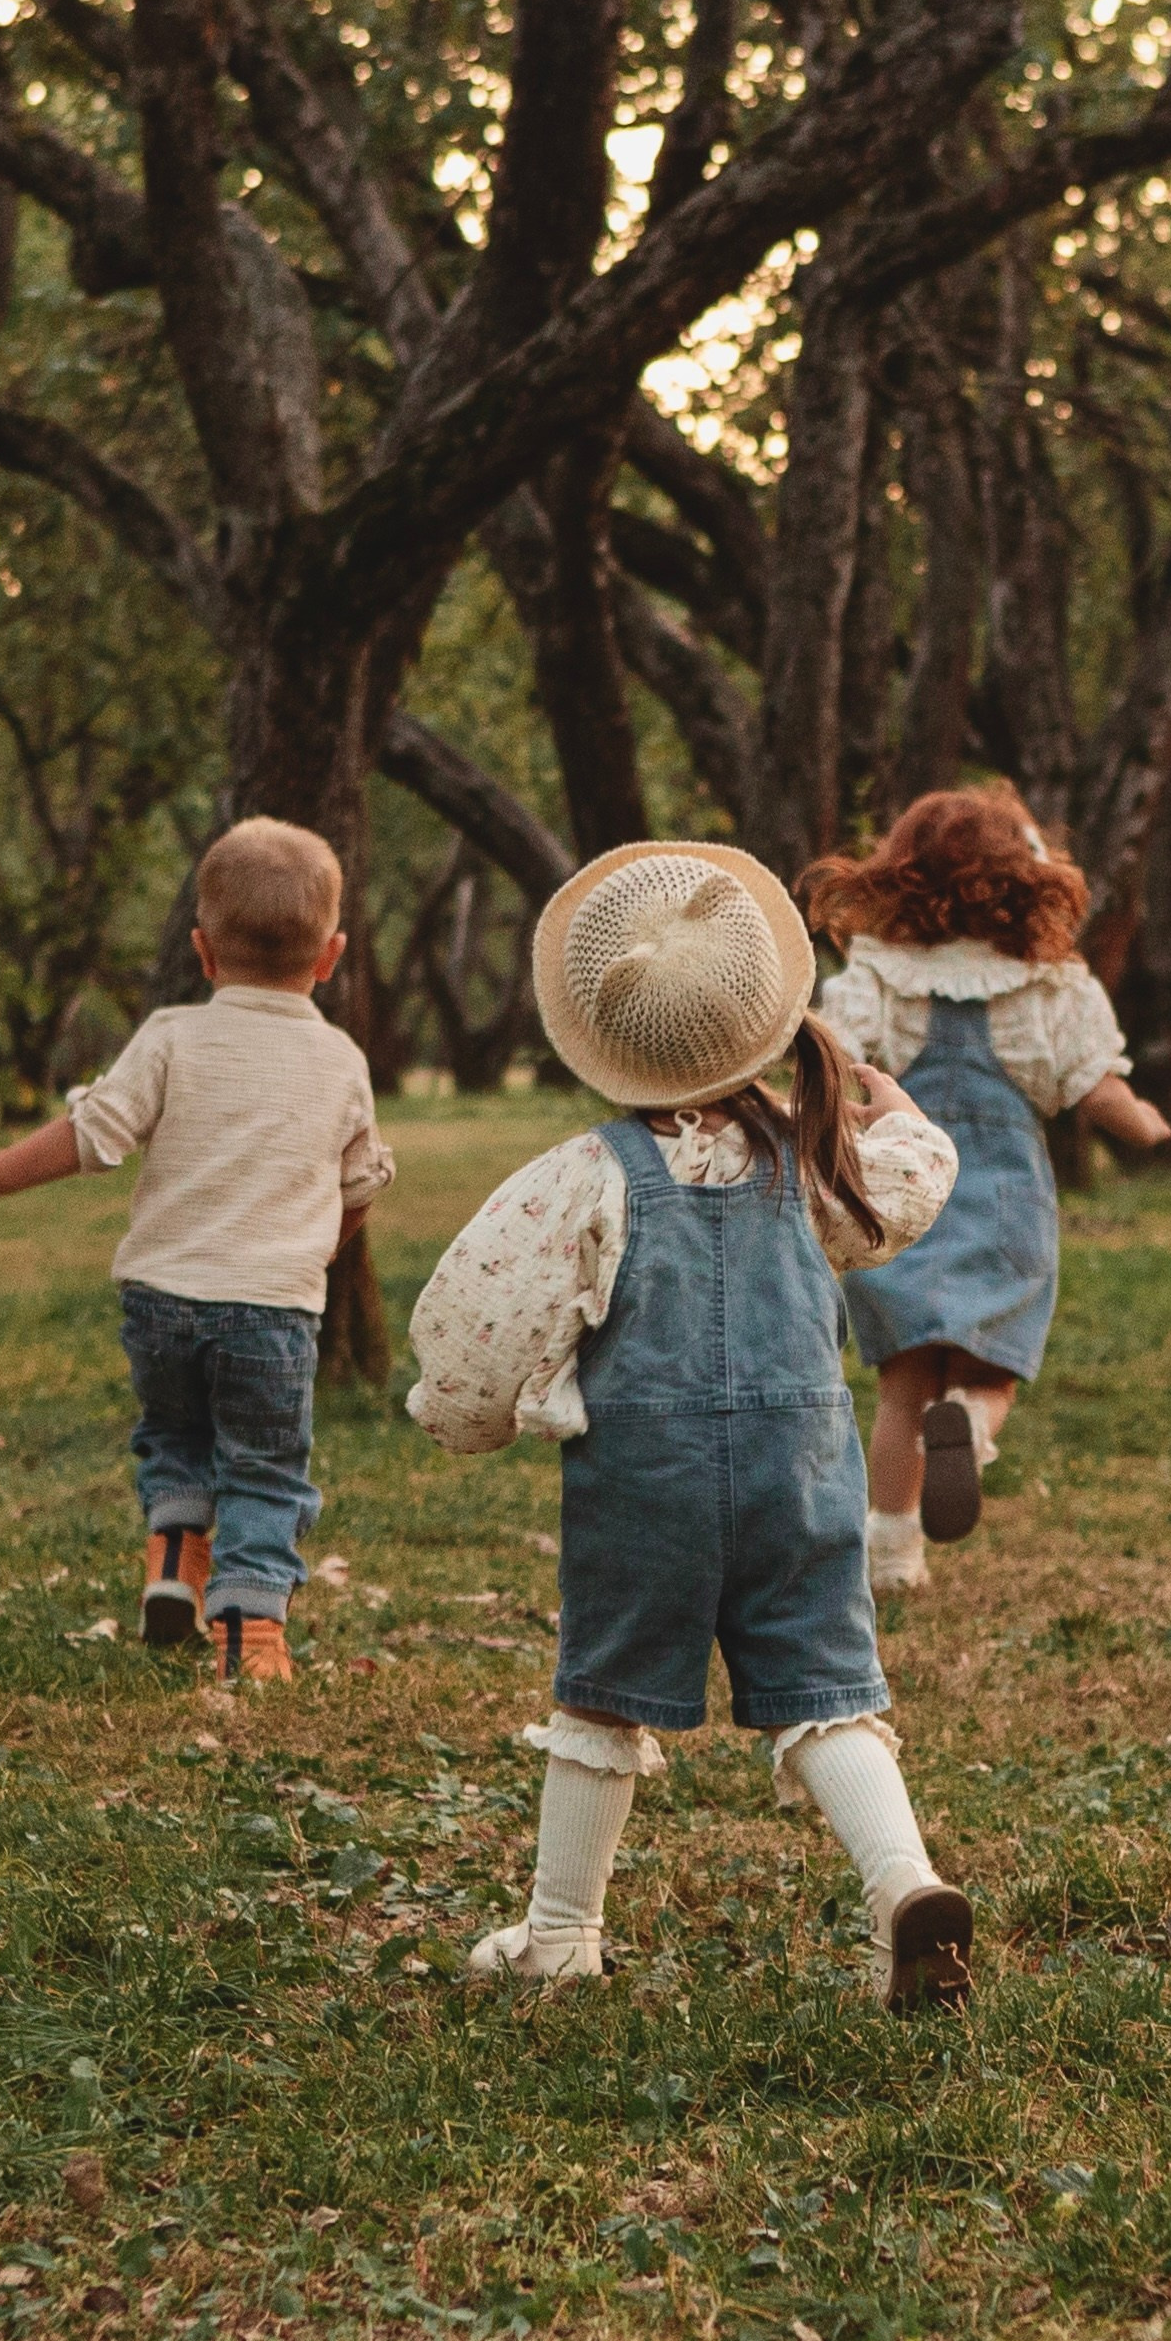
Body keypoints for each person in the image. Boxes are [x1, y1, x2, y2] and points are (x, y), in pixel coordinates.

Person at [408, 840, 974, 2011]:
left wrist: (453, 1415)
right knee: (826, 1690)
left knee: (601, 1695)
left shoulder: (585, 1175)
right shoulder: (811, 1157)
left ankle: (560, 1932)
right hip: (801, 1477)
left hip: (642, 1488)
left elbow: (476, 1317)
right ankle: (903, 1883)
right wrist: (901, 1109)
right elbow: (910, 1187)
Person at [0, 817, 393, 1686]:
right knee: (262, 1465)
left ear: (203, 952)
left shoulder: (171, 1036)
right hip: (272, 1309)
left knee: (174, 1432)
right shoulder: (340, 1060)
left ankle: (175, 1562)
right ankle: (249, 1631)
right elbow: (358, 1189)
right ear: (330, 956)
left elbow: (93, 1135)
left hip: (160, 1301)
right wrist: (310, 1251)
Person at [802, 788, 1171, 1596]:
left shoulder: (872, 978)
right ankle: (969, 1420)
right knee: (988, 1369)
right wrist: (1144, 1124)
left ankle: (891, 1555)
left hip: (898, 1199)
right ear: (1023, 882)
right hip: (1004, 1204)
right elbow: (1093, 1086)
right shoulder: (1050, 987)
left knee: (901, 1388)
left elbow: (829, 1072)